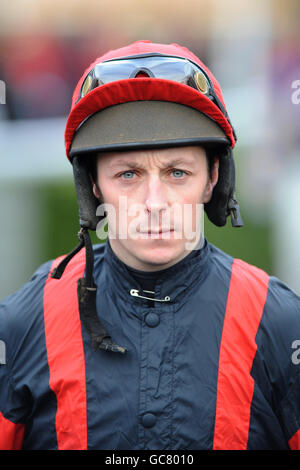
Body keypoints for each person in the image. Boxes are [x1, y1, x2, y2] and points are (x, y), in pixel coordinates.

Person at [0, 40, 300, 451]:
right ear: (93, 184)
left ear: (213, 178)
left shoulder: (281, 323)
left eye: (177, 172)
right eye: (128, 174)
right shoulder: (23, 323)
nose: (154, 203)